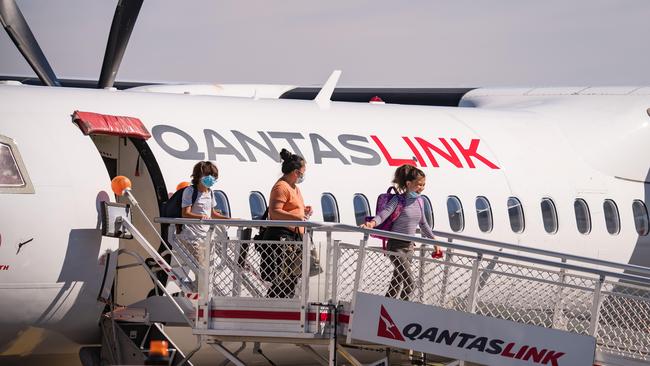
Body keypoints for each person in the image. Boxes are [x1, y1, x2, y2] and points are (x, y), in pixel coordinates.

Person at [361, 164, 439, 301]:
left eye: (423, 185)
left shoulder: (420, 201)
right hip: (396, 246)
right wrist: (372, 223)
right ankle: (400, 310)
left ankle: (386, 307)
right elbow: (383, 214)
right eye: (418, 185)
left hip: (409, 247)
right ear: (408, 184)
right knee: (410, 284)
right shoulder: (398, 200)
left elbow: (423, 224)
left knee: (396, 283)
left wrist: (434, 241)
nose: (421, 188)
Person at [262, 148, 312, 298]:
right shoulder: (281, 187)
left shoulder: (294, 188)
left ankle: (280, 308)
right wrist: (296, 218)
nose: (304, 174)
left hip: (295, 239)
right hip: (283, 239)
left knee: (291, 281)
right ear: (296, 172)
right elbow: (275, 212)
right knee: (283, 281)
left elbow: (293, 208)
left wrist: (304, 211)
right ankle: (273, 309)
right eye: (303, 171)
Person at [176, 161, 229, 264]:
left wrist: (230, 220)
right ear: (198, 176)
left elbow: (212, 214)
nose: (212, 178)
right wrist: (201, 217)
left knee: (208, 270)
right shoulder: (190, 191)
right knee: (202, 269)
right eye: (208, 175)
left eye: (214, 176)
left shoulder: (210, 192)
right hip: (192, 237)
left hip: (207, 237)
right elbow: (185, 213)